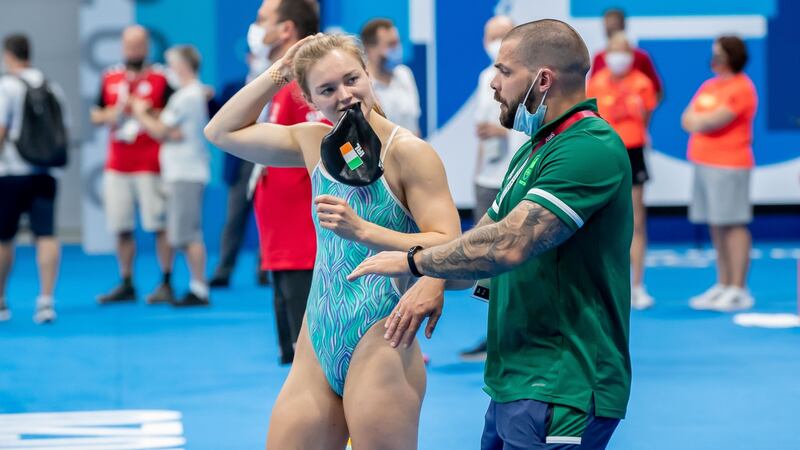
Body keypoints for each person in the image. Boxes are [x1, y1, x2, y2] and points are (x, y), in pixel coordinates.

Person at [349, 19, 632, 449]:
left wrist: (415, 262)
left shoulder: (589, 146)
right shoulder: (534, 149)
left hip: (564, 382)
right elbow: (480, 241)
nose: (493, 85)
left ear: (542, 80)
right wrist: (436, 277)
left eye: (504, 71)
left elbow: (510, 244)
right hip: (515, 379)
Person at [205, 33, 460, 449]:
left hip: (382, 335)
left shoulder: (409, 153)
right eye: (327, 89)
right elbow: (221, 131)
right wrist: (279, 72)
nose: (345, 95)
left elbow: (449, 245)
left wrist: (365, 231)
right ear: (308, 98)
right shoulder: (313, 143)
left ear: (368, 74)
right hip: (318, 336)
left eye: (352, 79)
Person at [245, 0, 330, 365]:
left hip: (303, 235)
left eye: (263, 20)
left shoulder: (309, 82)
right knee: (290, 358)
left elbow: (332, 144)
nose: (255, 27)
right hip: (278, 231)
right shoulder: (272, 79)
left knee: (309, 360)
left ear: (286, 30)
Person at [90, 25, 175, 305]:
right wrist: (112, 114)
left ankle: (166, 280)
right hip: (118, 165)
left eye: (138, 45)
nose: (133, 51)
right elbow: (95, 114)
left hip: (151, 165)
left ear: (147, 46)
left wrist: (146, 111)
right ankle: (126, 281)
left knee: (159, 225)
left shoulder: (162, 78)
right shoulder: (110, 77)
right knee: (121, 226)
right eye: (129, 45)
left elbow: (173, 116)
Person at [460, 14, 525, 362]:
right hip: (486, 179)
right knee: (486, 264)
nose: (494, 43)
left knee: (515, 259)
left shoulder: (527, 79)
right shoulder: (486, 77)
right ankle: (494, 334)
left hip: (515, 181)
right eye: (490, 36)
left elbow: (530, 126)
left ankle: (518, 332)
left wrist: (503, 133)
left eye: (501, 36)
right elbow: (482, 131)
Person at [131, 45, 211, 307]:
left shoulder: (186, 96)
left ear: (183, 66)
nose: (167, 71)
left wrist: (141, 112)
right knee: (185, 232)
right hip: (182, 171)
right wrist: (160, 125)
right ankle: (197, 286)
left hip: (185, 172)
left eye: (171, 65)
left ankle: (199, 288)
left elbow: (161, 130)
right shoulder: (189, 95)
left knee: (188, 234)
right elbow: (167, 129)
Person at [682, 35, 757, 312]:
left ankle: (739, 288)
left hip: (730, 164)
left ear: (730, 56)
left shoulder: (742, 88)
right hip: (704, 162)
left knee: (733, 224)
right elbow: (687, 119)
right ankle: (723, 283)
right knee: (716, 224)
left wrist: (701, 121)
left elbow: (714, 120)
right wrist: (700, 121)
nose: (714, 56)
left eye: (719, 52)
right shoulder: (710, 85)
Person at [587, 31, 658, 310]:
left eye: (624, 50)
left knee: (636, 221)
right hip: (604, 153)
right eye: (614, 50)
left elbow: (647, 115)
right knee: (601, 221)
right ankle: (602, 284)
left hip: (633, 151)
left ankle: (637, 286)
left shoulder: (642, 83)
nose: (620, 57)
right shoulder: (596, 82)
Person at [0, 34, 66, 324]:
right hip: (45, 173)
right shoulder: (53, 87)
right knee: (46, 235)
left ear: (8, 55)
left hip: (11, 174)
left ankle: (1, 301)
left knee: (4, 239)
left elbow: (1, 130)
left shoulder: (7, 86)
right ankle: (46, 301)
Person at [207, 54, 268, 288]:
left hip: (272, 156)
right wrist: (209, 101)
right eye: (255, 54)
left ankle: (265, 268)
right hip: (242, 160)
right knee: (234, 218)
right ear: (248, 58)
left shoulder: (281, 87)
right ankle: (224, 269)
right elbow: (218, 120)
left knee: (268, 217)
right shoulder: (233, 87)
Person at [361, 18, 421, 135]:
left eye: (398, 42)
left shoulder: (405, 74)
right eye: (391, 44)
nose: (397, 49)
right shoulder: (362, 85)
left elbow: (415, 128)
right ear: (369, 49)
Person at [590, 8, 662, 100]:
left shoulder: (641, 58)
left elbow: (656, 91)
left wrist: (643, 111)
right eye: (608, 28)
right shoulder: (598, 58)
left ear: (623, 26)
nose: (612, 33)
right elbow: (592, 93)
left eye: (615, 27)